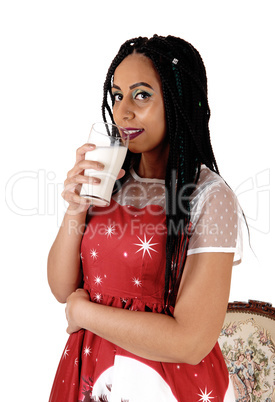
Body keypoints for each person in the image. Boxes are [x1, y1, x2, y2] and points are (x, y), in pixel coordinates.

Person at [48, 35, 243, 401]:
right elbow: (62, 288)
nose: (123, 112)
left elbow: (190, 342)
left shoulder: (210, 196)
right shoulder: (110, 179)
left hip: (164, 384)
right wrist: (75, 206)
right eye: (117, 95)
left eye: (141, 95)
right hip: (91, 374)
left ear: (178, 100)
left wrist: (84, 314)